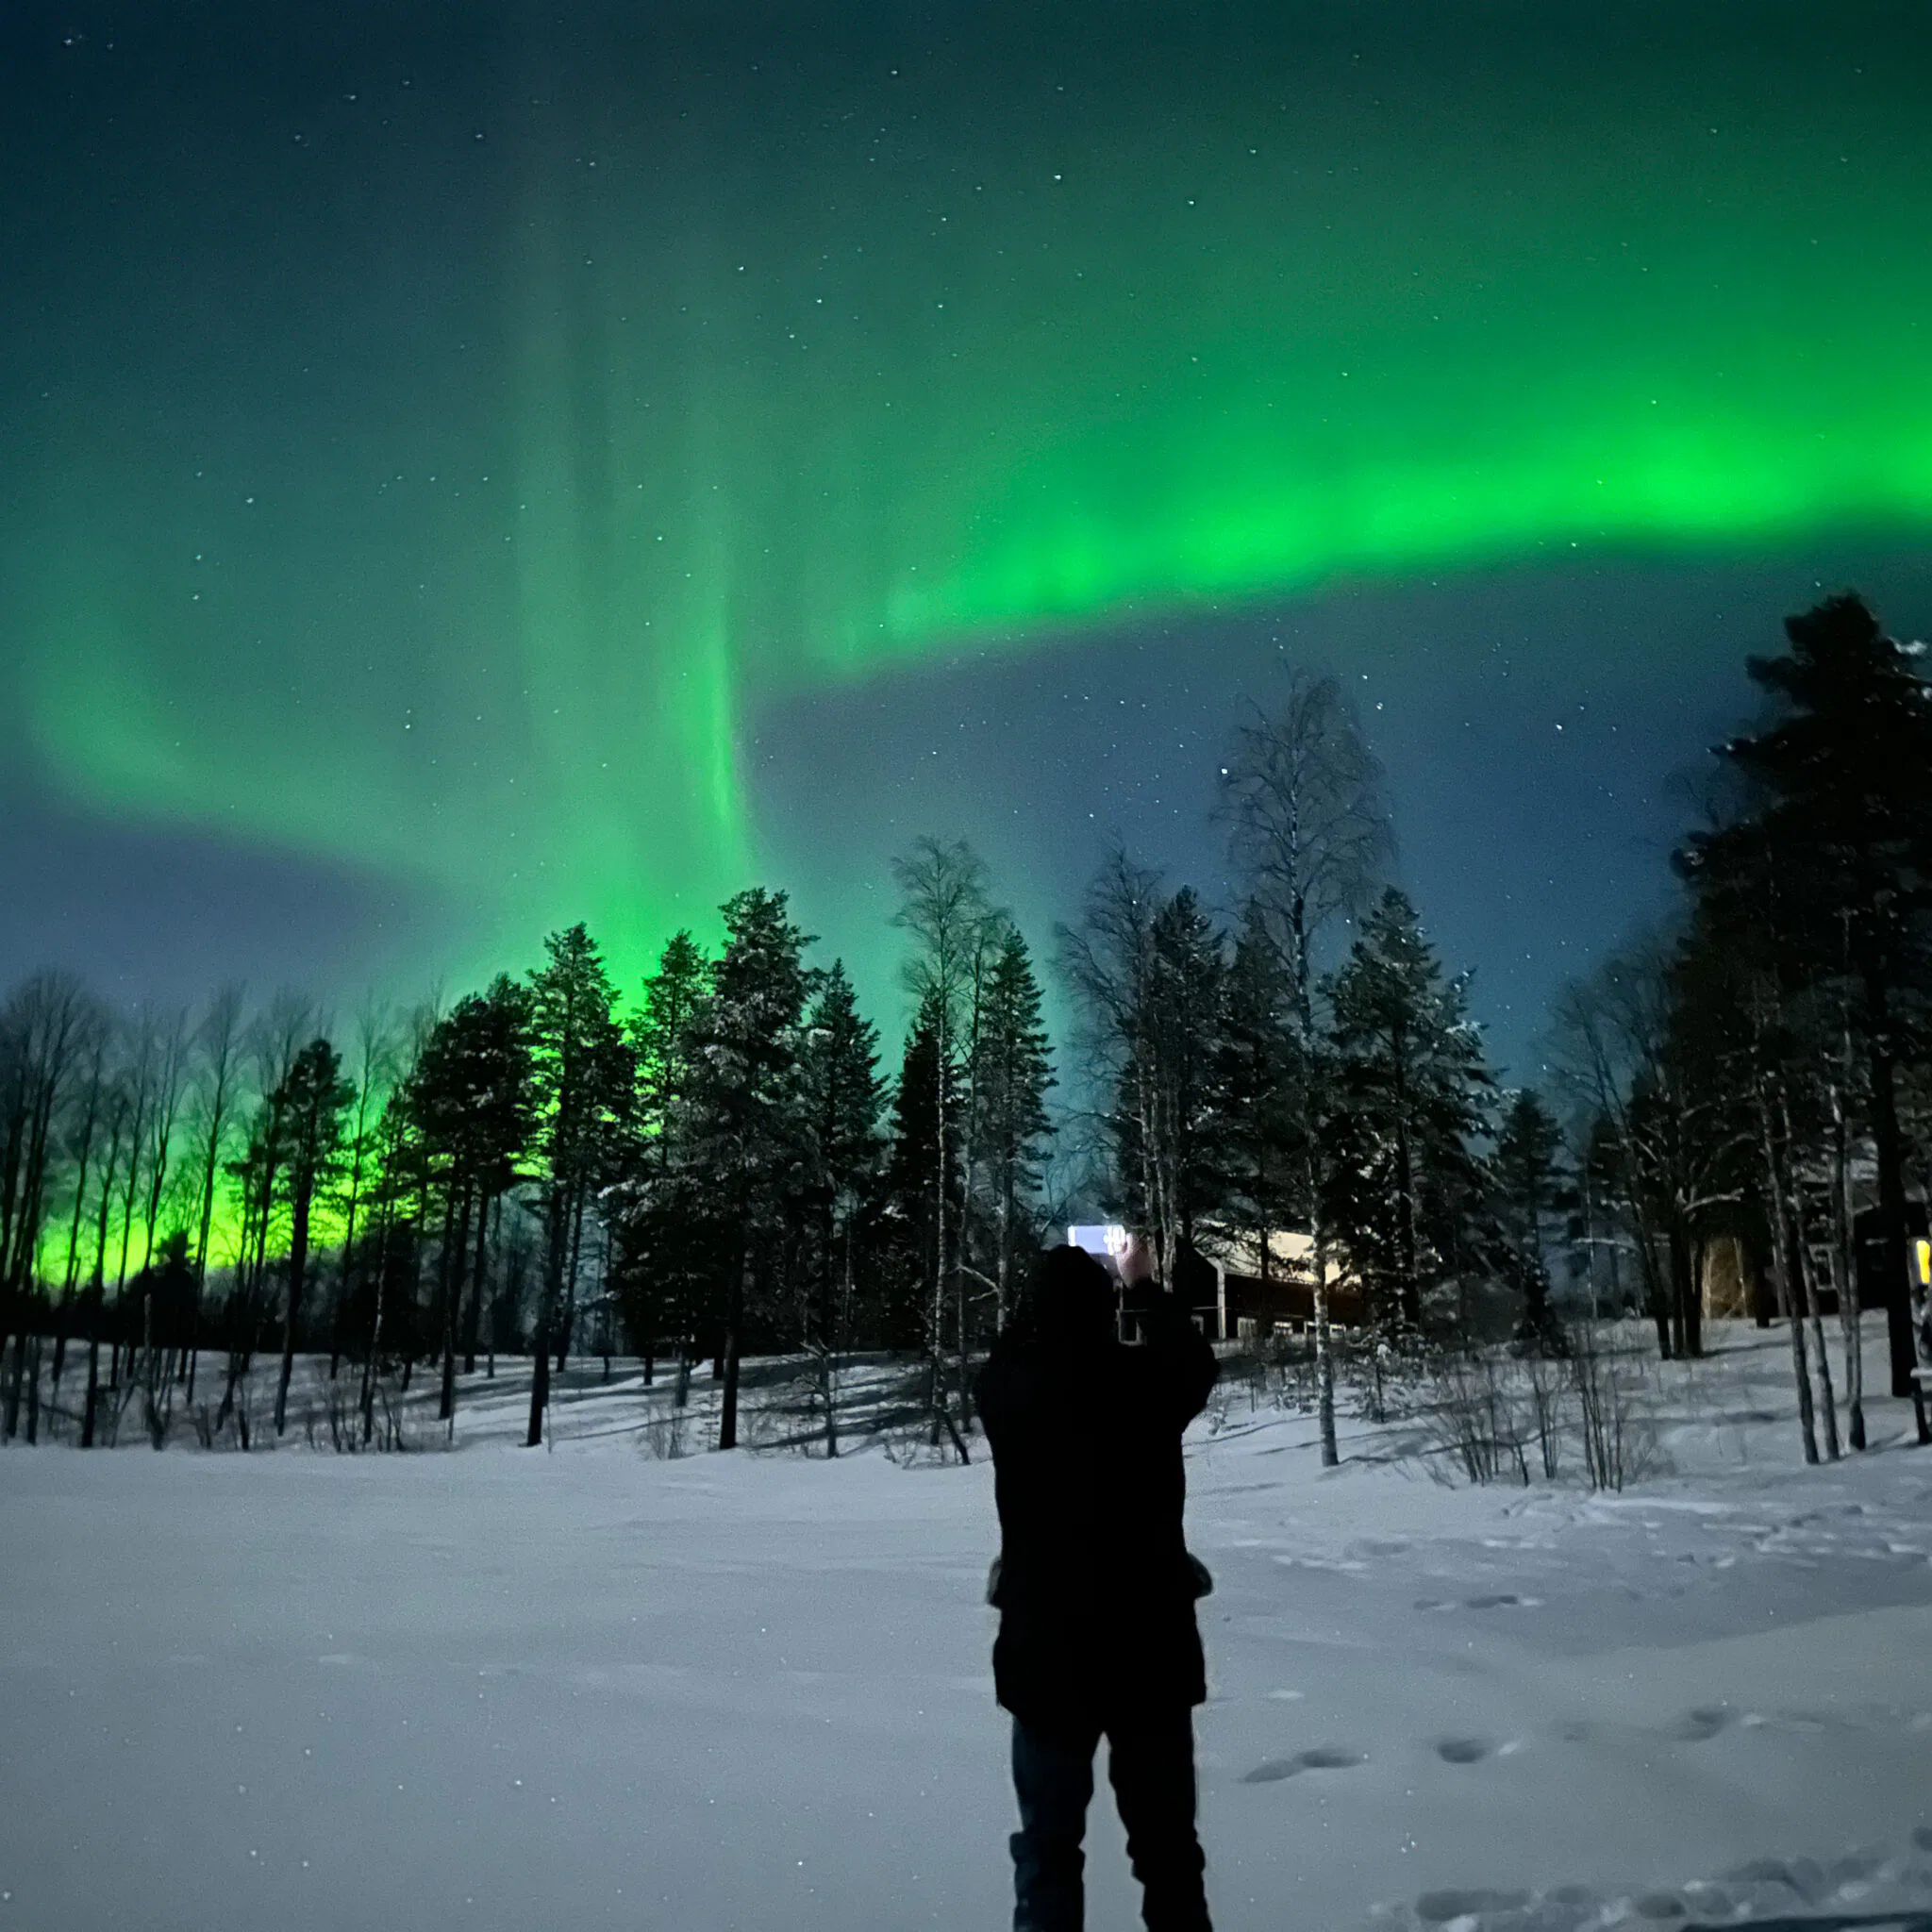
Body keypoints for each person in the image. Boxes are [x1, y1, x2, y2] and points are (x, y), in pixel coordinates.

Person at [975, 1236, 1220, 1932]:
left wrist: (1034, 1307)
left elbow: (999, 1362)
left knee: (1048, 1853)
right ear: (1105, 1311)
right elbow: (1195, 1362)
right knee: (1168, 1853)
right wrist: (1140, 1286)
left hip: (1045, 1654)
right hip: (1150, 1651)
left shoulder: (1010, 1392)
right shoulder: (1144, 1383)